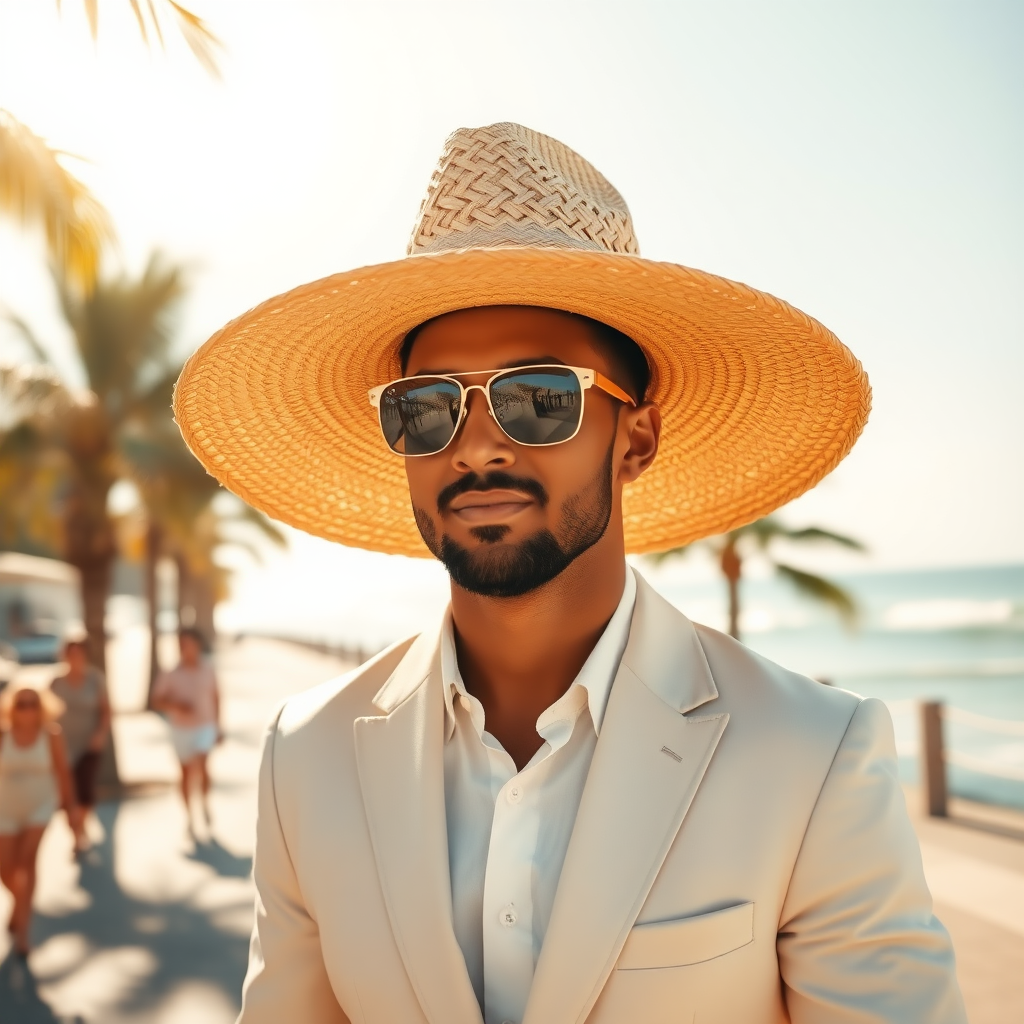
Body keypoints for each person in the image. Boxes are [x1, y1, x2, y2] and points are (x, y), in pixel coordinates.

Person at [175, 124, 966, 1022]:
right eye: (426, 408)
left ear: (635, 439)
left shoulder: (811, 755)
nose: (474, 445)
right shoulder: (307, 755)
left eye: (538, 398)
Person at [0, 684, 76, 955]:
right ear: (12, 708)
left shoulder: (51, 735)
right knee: (5, 867)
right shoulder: (3, 735)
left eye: (33, 703)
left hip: (40, 805)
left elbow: (63, 773)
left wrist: (71, 811)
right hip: (5, 807)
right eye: (22, 704)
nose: (28, 709)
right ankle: (21, 903)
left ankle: (23, 933)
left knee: (27, 861)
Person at [151, 627, 221, 831]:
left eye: (188, 643)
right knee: (185, 773)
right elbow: (157, 700)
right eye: (181, 644)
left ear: (197, 645)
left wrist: (219, 726)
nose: (184, 648)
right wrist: (177, 705)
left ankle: (205, 802)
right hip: (180, 729)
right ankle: (189, 815)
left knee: (203, 763)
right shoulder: (171, 673)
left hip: (205, 726)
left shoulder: (208, 668)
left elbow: (217, 697)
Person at [50, 638, 111, 852]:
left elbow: (106, 710)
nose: (75, 658)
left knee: (85, 792)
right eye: (71, 653)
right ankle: (75, 833)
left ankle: (81, 826)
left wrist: (100, 735)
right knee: (67, 794)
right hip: (61, 745)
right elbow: (47, 711)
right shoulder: (56, 681)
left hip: (88, 744)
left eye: (79, 653)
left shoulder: (95, 679)